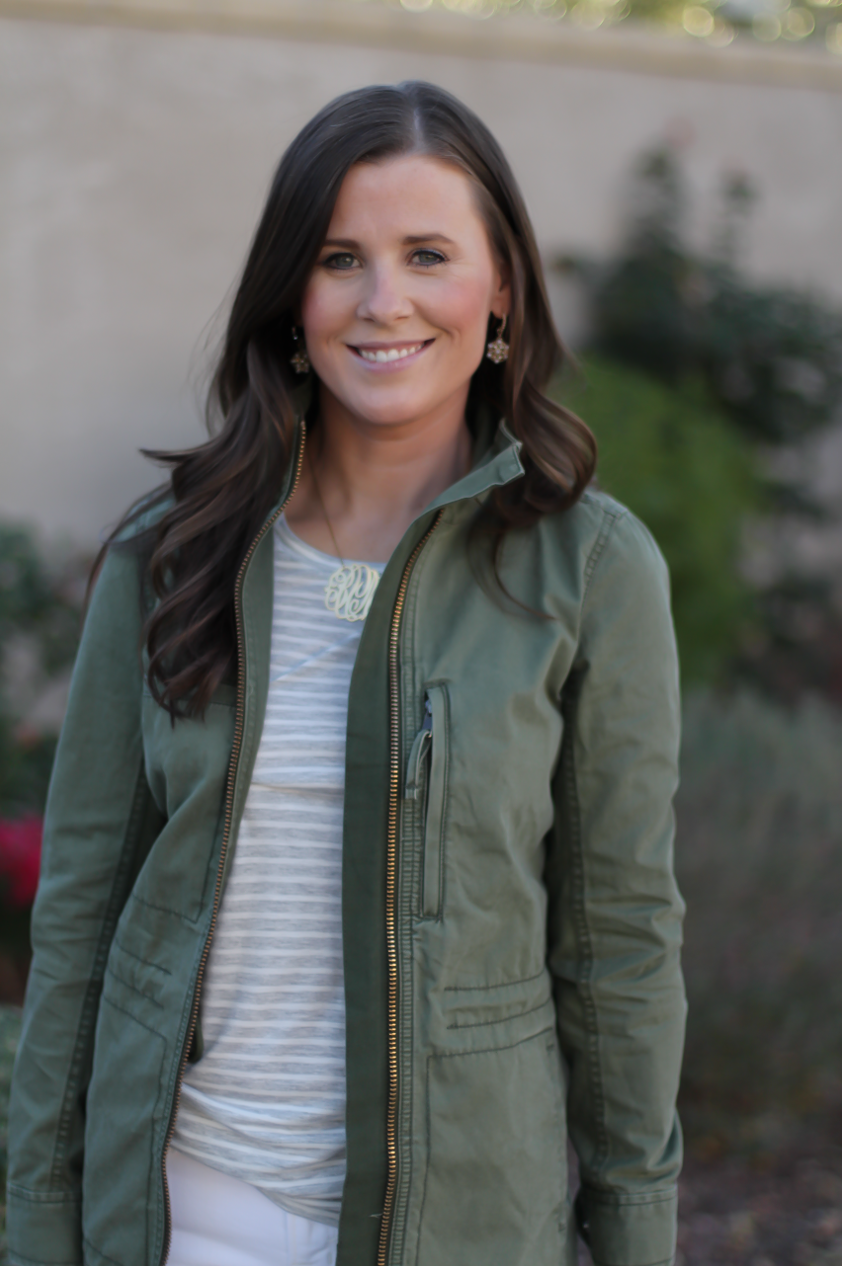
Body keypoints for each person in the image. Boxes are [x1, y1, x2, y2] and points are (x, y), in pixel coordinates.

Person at [6, 81, 686, 1266]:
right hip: (186, 1217)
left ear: (501, 291)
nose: (383, 303)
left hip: (464, 1227)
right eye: (338, 259)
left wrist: (634, 1231)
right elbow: (79, 921)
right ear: (290, 296)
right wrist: (36, 1224)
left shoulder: (591, 570)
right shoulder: (166, 557)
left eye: (427, 254)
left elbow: (618, 938)